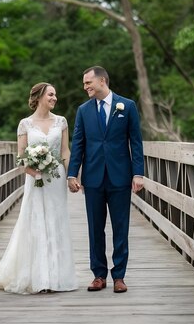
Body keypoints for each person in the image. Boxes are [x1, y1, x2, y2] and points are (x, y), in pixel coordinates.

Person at [0, 82, 78, 294]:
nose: (55, 98)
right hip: (35, 179)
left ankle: (56, 277)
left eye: (56, 94)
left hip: (55, 179)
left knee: (56, 221)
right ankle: (38, 278)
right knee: (35, 221)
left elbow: (65, 152)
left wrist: (72, 176)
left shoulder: (61, 122)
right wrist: (34, 170)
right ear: (39, 97)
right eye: (51, 94)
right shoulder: (25, 124)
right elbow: (21, 157)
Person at [67, 66, 144, 293]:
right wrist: (73, 174)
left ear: (102, 81)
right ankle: (99, 275)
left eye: (88, 82)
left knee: (121, 228)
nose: (85, 87)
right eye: (84, 83)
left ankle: (119, 276)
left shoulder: (127, 106)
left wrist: (138, 173)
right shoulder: (83, 110)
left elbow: (136, 142)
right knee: (95, 228)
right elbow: (78, 143)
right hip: (92, 178)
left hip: (120, 177)